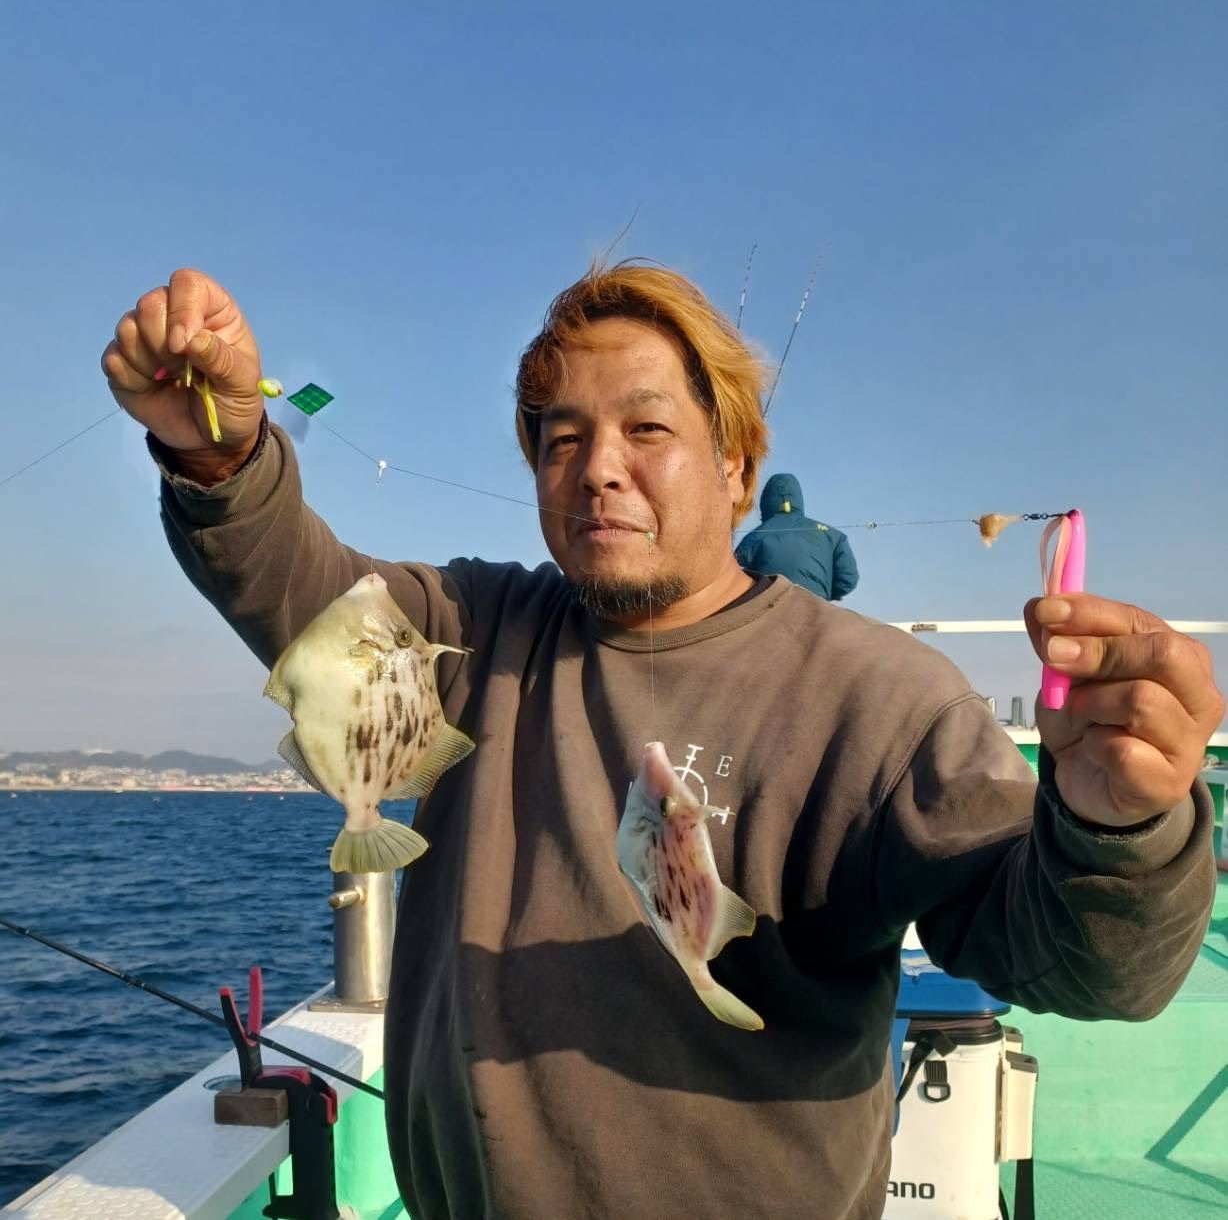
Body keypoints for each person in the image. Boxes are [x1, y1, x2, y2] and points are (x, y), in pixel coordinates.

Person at [102, 263, 1223, 1220]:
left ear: (737, 467)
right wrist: (220, 459)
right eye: (561, 438)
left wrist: (1116, 829)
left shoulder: (881, 698)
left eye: (646, 428)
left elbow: (1078, 962)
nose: (597, 466)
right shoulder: (482, 630)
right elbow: (309, 601)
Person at [735, 473, 859, 600]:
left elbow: (734, 574)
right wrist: (822, 594)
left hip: (770, 607)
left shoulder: (756, 535)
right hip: (815, 606)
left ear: (766, 502)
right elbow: (848, 579)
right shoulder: (833, 536)